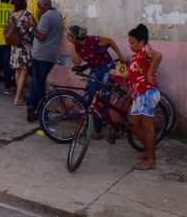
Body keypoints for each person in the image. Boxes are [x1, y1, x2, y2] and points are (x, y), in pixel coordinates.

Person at [67, 24, 125, 137]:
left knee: (104, 98)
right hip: (95, 70)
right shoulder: (77, 46)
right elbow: (77, 62)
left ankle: (99, 129)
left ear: (74, 37)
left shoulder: (93, 40)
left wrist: (121, 57)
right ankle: (85, 127)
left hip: (107, 68)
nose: (67, 37)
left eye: (69, 36)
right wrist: (72, 46)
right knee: (88, 97)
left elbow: (110, 41)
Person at [127, 23, 163, 171]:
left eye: (132, 42)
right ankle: (148, 151)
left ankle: (151, 160)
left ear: (141, 42)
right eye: (129, 42)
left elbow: (158, 56)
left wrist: (150, 73)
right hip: (138, 95)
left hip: (147, 93)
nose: (130, 45)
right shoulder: (137, 54)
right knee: (133, 125)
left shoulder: (146, 50)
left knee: (148, 127)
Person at [26, 0, 63, 122]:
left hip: (41, 55)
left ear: (46, 4)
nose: (38, 9)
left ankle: (39, 111)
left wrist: (30, 28)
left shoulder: (46, 16)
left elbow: (41, 37)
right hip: (50, 55)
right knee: (37, 82)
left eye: (40, 6)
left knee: (39, 84)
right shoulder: (57, 15)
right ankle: (32, 107)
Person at [4, 0, 35, 106]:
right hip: (25, 46)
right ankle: (17, 97)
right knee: (24, 70)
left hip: (14, 46)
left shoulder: (12, 15)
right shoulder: (28, 15)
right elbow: (33, 29)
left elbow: (8, 29)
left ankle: (20, 95)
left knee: (17, 70)